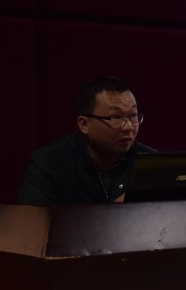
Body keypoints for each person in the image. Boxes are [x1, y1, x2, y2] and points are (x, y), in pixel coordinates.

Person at [17, 76, 156, 205]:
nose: (129, 127)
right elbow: (31, 218)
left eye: (133, 116)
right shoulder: (48, 162)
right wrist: (115, 211)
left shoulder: (151, 163)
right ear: (84, 124)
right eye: (116, 117)